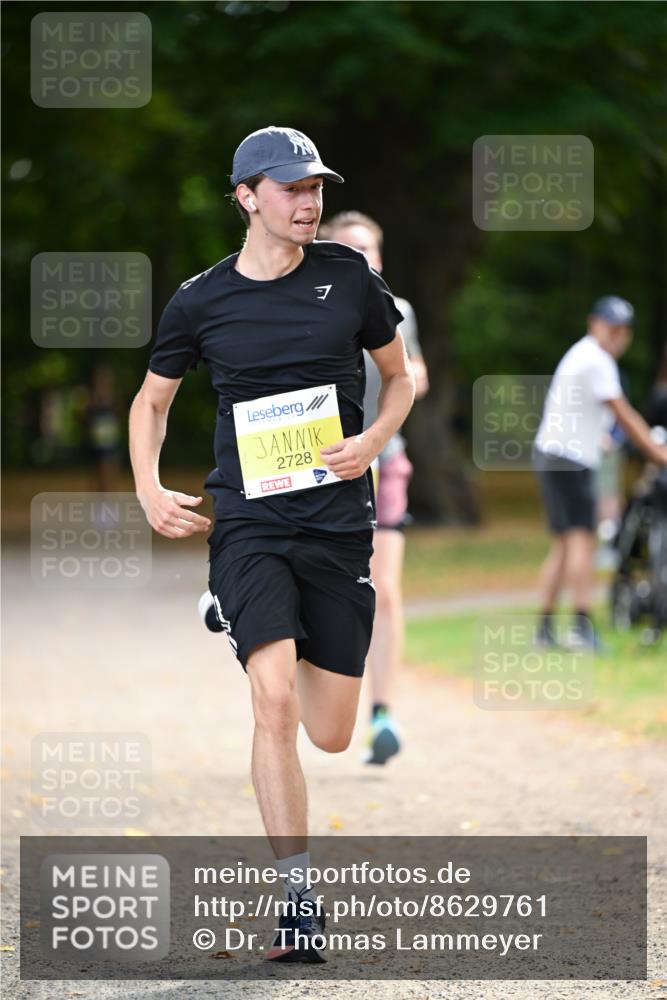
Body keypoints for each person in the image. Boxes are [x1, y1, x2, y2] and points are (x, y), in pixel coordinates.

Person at [129, 126, 415, 963]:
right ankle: (297, 901)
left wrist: (372, 442)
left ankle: (235, 614)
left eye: (315, 187)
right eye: (291, 188)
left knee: (330, 733)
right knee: (274, 703)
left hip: (336, 523)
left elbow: (399, 378)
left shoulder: (349, 277)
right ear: (246, 196)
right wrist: (148, 487)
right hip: (249, 522)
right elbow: (152, 402)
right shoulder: (201, 299)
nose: (308, 202)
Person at [317, 211, 428, 765]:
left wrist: (403, 373)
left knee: (383, 587)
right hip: (320, 465)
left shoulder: (397, 308)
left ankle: (383, 714)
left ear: (380, 257)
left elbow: (416, 374)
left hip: (386, 459)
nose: (359, 257)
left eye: (368, 249)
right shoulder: (308, 305)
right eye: (347, 248)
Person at [533, 296, 667, 651]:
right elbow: (624, 414)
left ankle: (544, 628)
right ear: (595, 323)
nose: (618, 336)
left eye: (623, 330)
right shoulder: (596, 359)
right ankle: (581, 625)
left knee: (565, 544)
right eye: (612, 328)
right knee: (582, 540)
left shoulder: (584, 355)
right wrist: (658, 453)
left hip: (556, 455)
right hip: (568, 458)